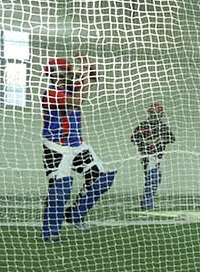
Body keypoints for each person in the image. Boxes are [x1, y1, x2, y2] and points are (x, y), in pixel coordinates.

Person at [40, 54, 117, 242]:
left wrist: (88, 66)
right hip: (56, 147)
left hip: (77, 145)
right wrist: (83, 79)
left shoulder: (71, 88)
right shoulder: (51, 93)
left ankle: (75, 214)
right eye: (68, 71)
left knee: (102, 179)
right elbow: (77, 101)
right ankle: (51, 232)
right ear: (58, 73)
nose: (72, 73)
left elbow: (92, 78)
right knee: (61, 190)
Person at [131, 103, 176, 211]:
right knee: (153, 178)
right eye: (153, 113)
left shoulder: (163, 127)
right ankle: (147, 204)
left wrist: (160, 140)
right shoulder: (143, 126)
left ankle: (146, 202)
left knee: (155, 178)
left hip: (158, 156)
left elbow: (171, 138)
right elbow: (134, 138)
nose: (155, 115)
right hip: (147, 155)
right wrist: (146, 142)